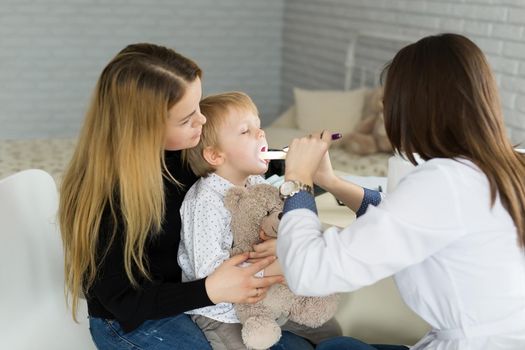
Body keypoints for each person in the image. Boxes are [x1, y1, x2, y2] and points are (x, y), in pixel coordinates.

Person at [275, 33, 525, 350]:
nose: (384, 109)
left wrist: (297, 180)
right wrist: (332, 181)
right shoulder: (507, 166)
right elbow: (407, 218)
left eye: (388, 101)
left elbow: (309, 272)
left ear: (414, 106)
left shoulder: (444, 181)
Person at [58, 43, 312, 350]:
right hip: (133, 319)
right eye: (187, 119)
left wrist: (302, 170)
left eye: (199, 107)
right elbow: (123, 302)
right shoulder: (108, 199)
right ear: (145, 129)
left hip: (192, 298)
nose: (203, 122)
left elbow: (251, 173)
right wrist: (210, 290)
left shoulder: (183, 153)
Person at [179, 91, 341, 349]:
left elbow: (282, 224)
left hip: (269, 300)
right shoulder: (205, 201)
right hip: (223, 313)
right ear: (215, 156)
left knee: (330, 330)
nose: (261, 134)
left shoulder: (257, 184)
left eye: (259, 126)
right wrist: (277, 268)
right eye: (246, 131)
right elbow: (208, 272)